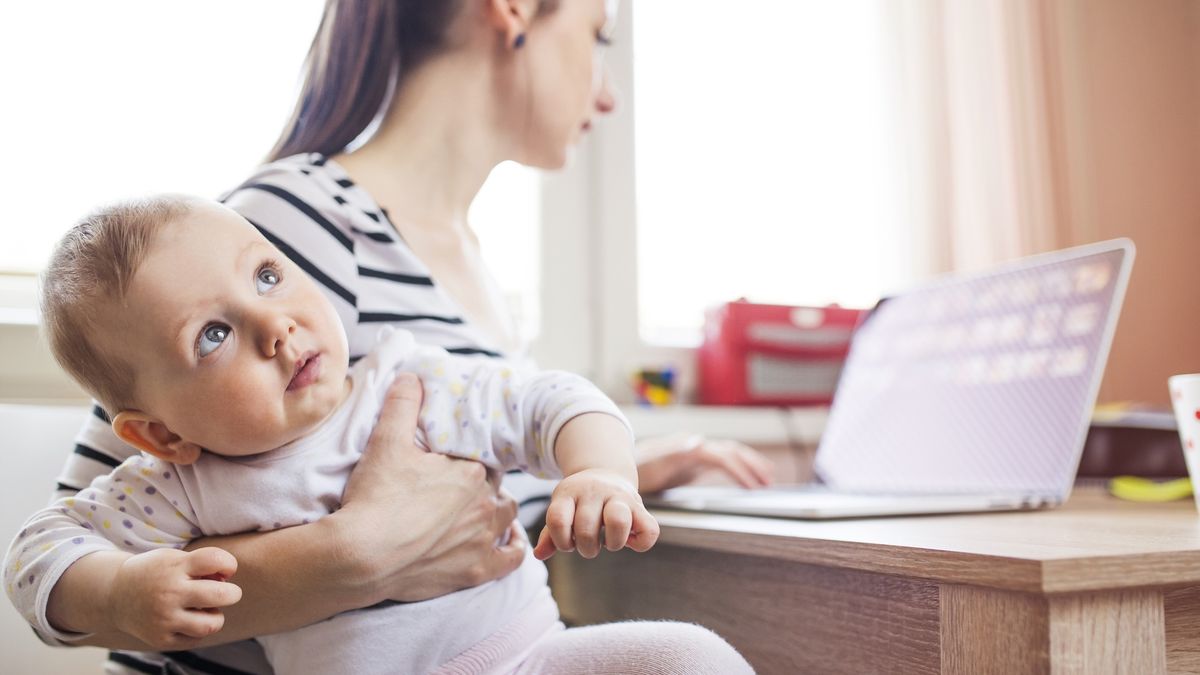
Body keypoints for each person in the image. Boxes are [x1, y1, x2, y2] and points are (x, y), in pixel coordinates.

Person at [29, 0, 771, 671]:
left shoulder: (469, 272)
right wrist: (359, 552)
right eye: (597, 33)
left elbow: (468, 507)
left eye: (266, 281)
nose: (608, 93)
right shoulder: (300, 220)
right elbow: (102, 591)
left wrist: (602, 464)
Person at [7, 196, 752, 674]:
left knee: (691, 655)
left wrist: (602, 472)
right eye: (211, 335)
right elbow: (39, 554)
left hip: (528, 659)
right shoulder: (178, 484)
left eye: (266, 276)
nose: (274, 326)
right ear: (160, 432)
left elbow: (547, 401)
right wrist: (121, 589)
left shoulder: (408, 380)